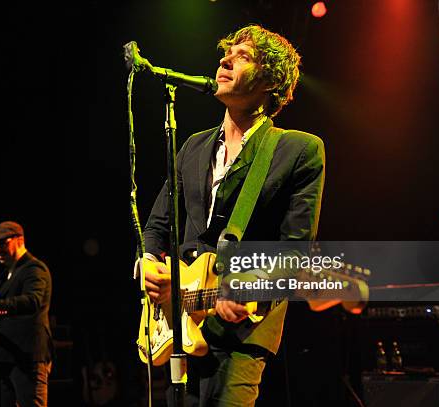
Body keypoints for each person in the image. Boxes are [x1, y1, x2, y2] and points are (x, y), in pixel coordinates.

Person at [141, 24, 325, 406]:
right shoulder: (192, 146)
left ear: (270, 81)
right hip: (179, 323)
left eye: (243, 56)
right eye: (227, 52)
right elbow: (159, 222)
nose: (225, 59)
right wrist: (147, 266)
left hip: (244, 330)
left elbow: (294, 252)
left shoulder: (299, 150)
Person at [0, 220, 54, 407]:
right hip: (7, 358)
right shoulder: (7, 275)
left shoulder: (34, 269)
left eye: (2, 243)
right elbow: (6, 316)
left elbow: (32, 301)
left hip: (27, 358)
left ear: (20, 240)